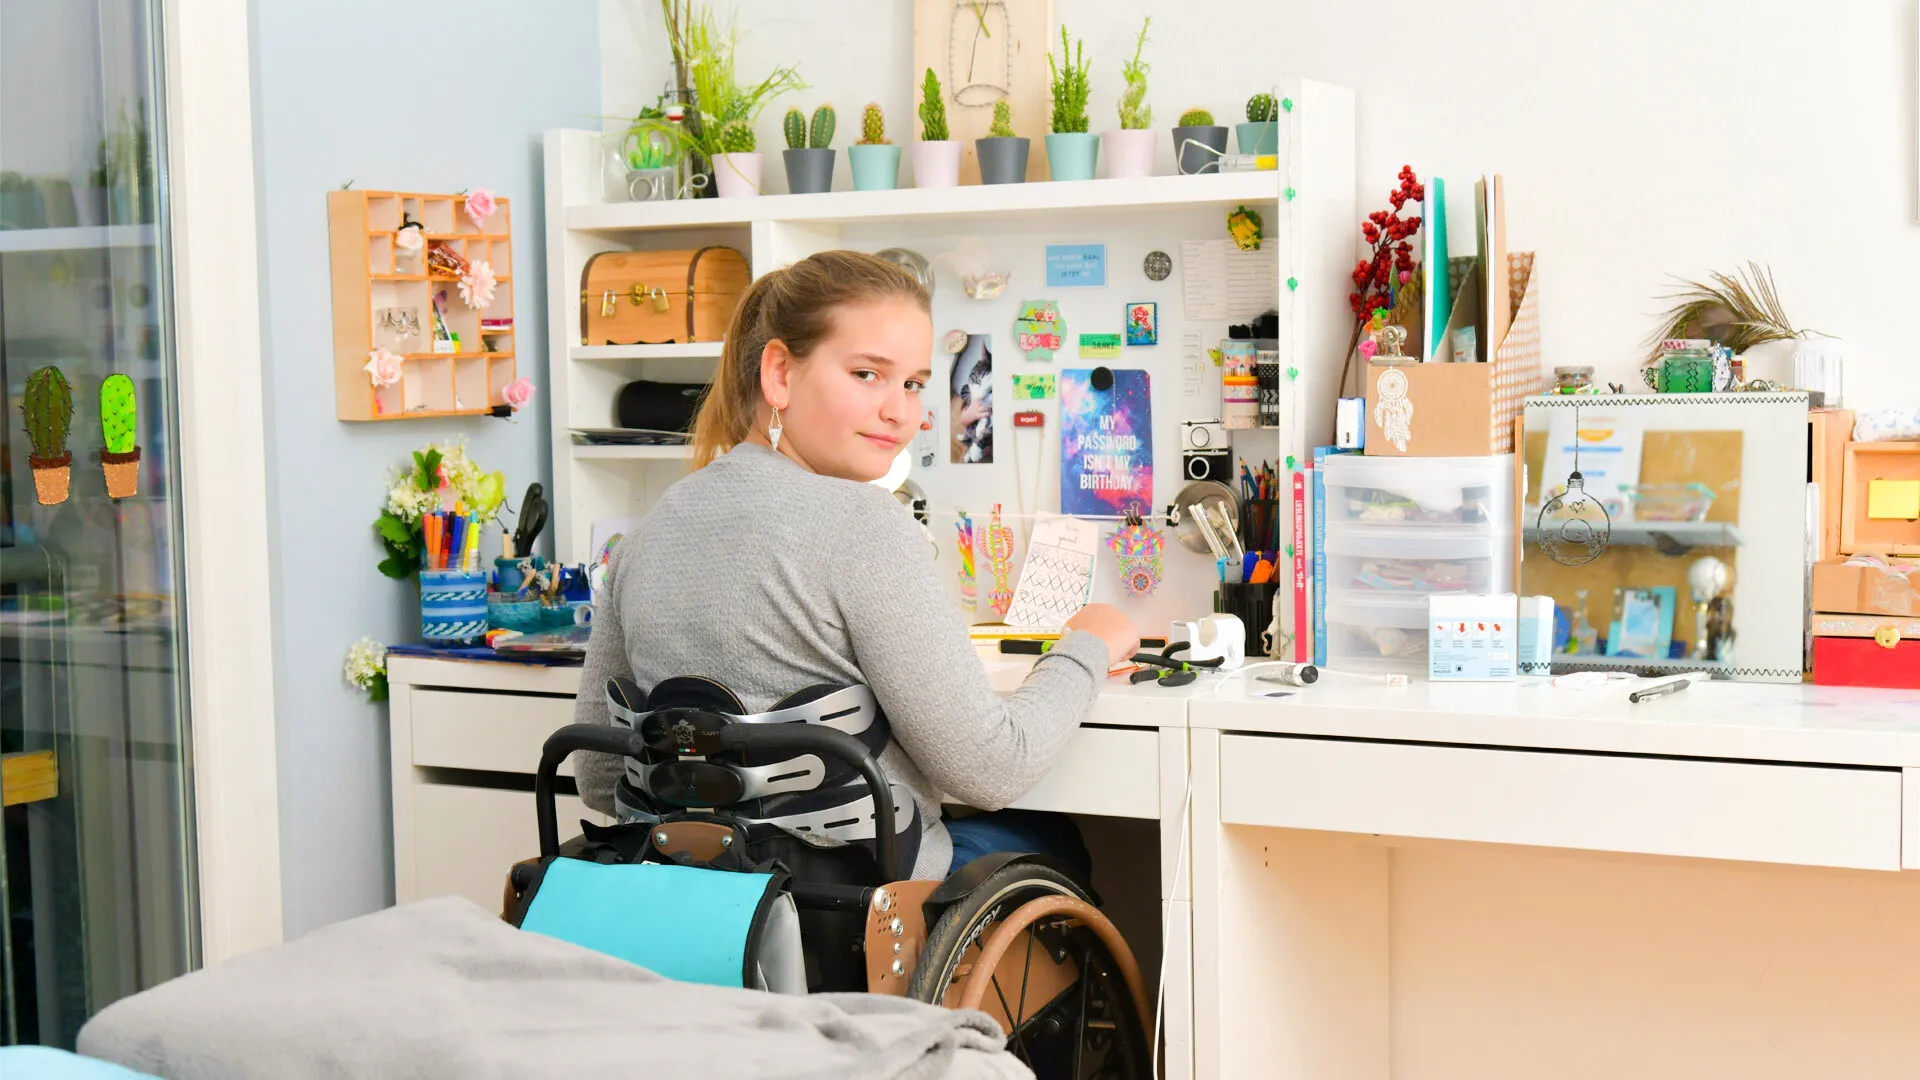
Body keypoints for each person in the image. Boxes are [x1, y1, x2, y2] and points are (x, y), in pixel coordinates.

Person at [573, 249, 1139, 883]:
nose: (903, 413)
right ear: (780, 374)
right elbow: (991, 769)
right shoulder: (865, 524)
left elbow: (598, 779)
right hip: (853, 906)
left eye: (915, 383)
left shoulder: (645, 536)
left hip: (688, 890)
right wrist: (1085, 646)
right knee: (1051, 836)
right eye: (869, 375)